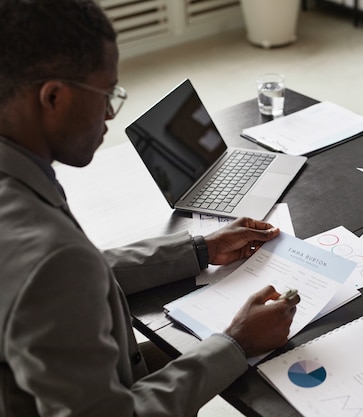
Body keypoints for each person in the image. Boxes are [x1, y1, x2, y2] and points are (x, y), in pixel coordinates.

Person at [0, 1, 299, 416]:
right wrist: (236, 343)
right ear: (53, 96)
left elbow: (69, 278)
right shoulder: (51, 256)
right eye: (107, 94)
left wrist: (199, 250)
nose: (109, 114)